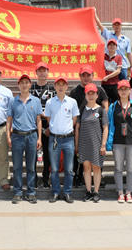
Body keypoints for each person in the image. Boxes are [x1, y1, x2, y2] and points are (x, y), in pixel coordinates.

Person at [69, 64, 109, 187]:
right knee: (80, 156)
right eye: (83, 75)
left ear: (93, 75)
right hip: (80, 127)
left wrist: (101, 120)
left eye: (88, 75)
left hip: (96, 126)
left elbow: (105, 105)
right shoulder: (75, 91)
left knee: (97, 157)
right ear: (80, 76)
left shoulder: (99, 90)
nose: (86, 77)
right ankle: (78, 177)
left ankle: (98, 180)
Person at [7, 74, 43, 204]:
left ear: (30, 84)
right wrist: (8, 136)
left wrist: (39, 138)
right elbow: (9, 120)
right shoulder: (13, 101)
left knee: (31, 167)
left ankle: (31, 192)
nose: (24, 85)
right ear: (18, 85)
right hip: (17, 136)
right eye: (22, 82)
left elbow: (38, 120)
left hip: (31, 136)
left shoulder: (36, 101)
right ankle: (17, 192)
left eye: (26, 82)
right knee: (17, 166)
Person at [107, 80, 132, 204]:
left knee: (131, 168)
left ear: (129, 91)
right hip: (117, 142)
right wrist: (109, 141)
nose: (123, 91)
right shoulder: (113, 106)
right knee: (118, 168)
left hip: (131, 142)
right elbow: (110, 125)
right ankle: (120, 193)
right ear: (118, 91)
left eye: (126, 89)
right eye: (121, 89)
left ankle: (128, 192)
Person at [45, 76, 79, 203]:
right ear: (54, 87)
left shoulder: (72, 102)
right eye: (58, 84)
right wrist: (55, 128)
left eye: (63, 84)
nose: (60, 86)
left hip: (68, 139)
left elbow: (74, 119)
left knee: (69, 169)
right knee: (54, 169)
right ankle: (55, 192)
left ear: (66, 87)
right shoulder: (50, 102)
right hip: (54, 139)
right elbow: (49, 119)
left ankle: (67, 192)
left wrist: (66, 128)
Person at [75, 83, 108, 203]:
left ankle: (96, 191)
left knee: (96, 167)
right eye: (88, 93)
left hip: (97, 143)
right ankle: (88, 191)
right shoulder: (82, 109)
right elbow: (77, 127)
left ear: (97, 95)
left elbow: (105, 128)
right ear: (85, 95)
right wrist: (77, 144)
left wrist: (103, 144)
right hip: (84, 143)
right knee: (86, 167)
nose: (90, 96)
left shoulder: (101, 110)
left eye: (93, 93)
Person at [30, 61, 55, 189]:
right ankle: (33, 179)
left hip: (48, 127)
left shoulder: (52, 90)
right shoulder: (30, 88)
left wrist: (51, 127)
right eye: (39, 71)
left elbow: (56, 110)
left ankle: (46, 178)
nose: (42, 73)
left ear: (48, 72)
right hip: (33, 127)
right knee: (32, 155)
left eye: (44, 71)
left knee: (48, 154)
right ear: (36, 73)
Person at [95, 11, 132, 80]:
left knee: (123, 84)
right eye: (115, 25)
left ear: (121, 26)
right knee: (111, 84)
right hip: (111, 66)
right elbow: (100, 25)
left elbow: (129, 53)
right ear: (113, 26)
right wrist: (94, 13)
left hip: (123, 66)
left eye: (118, 25)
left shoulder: (126, 39)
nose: (117, 26)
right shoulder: (109, 35)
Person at [101, 39, 123, 104]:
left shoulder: (119, 57)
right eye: (110, 45)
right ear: (107, 47)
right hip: (104, 84)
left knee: (115, 103)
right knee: (105, 102)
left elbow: (118, 71)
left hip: (114, 84)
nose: (112, 46)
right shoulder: (103, 56)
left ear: (116, 47)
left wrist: (107, 77)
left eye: (114, 45)